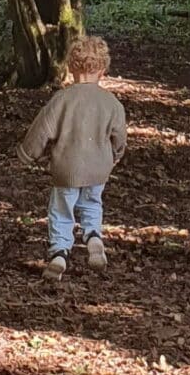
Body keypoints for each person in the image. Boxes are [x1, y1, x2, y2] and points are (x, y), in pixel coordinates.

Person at [17, 35, 128, 279]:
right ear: (102, 70)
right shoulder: (112, 104)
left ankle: (59, 252)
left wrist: (27, 154)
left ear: (70, 67)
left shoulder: (62, 100)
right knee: (92, 203)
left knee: (61, 209)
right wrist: (117, 155)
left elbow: (41, 129)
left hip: (66, 168)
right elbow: (119, 135)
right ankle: (94, 237)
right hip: (99, 168)